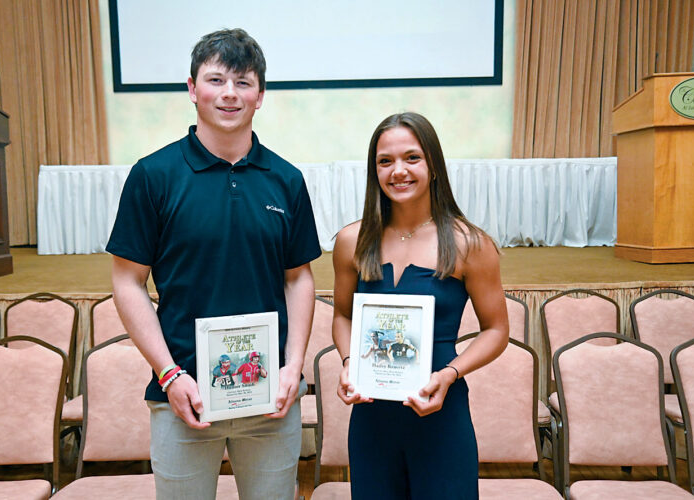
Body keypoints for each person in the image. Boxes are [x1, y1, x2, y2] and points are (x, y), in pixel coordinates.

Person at [107, 28, 321, 500]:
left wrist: (293, 366)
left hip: (269, 399)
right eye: (216, 80)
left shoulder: (286, 179)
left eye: (243, 82)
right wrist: (168, 373)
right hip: (184, 397)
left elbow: (299, 278)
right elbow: (127, 282)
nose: (229, 93)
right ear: (192, 88)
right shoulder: (153, 175)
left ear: (260, 96)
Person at [332, 112, 508, 499]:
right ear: (374, 170)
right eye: (385, 161)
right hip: (372, 416)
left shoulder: (469, 243)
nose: (399, 171)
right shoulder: (351, 241)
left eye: (412, 158)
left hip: (441, 409)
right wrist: (348, 362)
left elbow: (497, 330)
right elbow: (343, 315)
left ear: (433, 164)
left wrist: (450, 374)